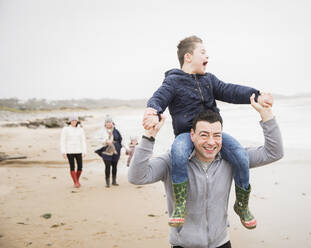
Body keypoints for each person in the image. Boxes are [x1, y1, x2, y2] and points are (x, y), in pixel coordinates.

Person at [143, 35, 273, 228]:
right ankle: (180, 204)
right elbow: (159, 97)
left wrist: (257, 94)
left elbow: (230, 91)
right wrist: (152, 110)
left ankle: (242, 204)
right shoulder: (173, 82)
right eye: (202, 52)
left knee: (239, 154)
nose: (207, 56)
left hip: (212, 133)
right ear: (188, 57)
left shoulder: (209, 80)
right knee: (178, 153)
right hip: (186, 135)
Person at [129, 95, 283, 248]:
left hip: (221, 243)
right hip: (183, 245)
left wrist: (266, 114)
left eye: (216, 135)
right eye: (204, 135)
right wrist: (150, 135)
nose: (211, 142)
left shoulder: (232, 159)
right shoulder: (173, 161)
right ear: (192, 135)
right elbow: (137, 177)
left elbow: (274, 152)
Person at [95, 115, 123, 187]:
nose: (108, 123)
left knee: (114, 166)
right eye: (107, 122)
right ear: (105, 123)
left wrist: (125, 148)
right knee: (107, 166)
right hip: (106, 150)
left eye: (110, 122)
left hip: (116, 151)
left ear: (112, 123)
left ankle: (114, 181)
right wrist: (105, 141)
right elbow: (97, 139)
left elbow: (121, 140)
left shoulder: (116, 131)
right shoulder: (102, 131)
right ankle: (107, 182)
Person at [60, 114, 87, 188]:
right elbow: (63, 141)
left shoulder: (81, 129)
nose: (74, 121)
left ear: (77, 121)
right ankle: (76, 183)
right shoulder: (65, 129)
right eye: (72, 120)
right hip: (69, 151)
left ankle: (76, 180)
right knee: (72, 167)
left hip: (79, 150)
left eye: (75, 120)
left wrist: (84, 151)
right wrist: (63, 152)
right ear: (69, 121)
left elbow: (83, 141)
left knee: (80, 167)